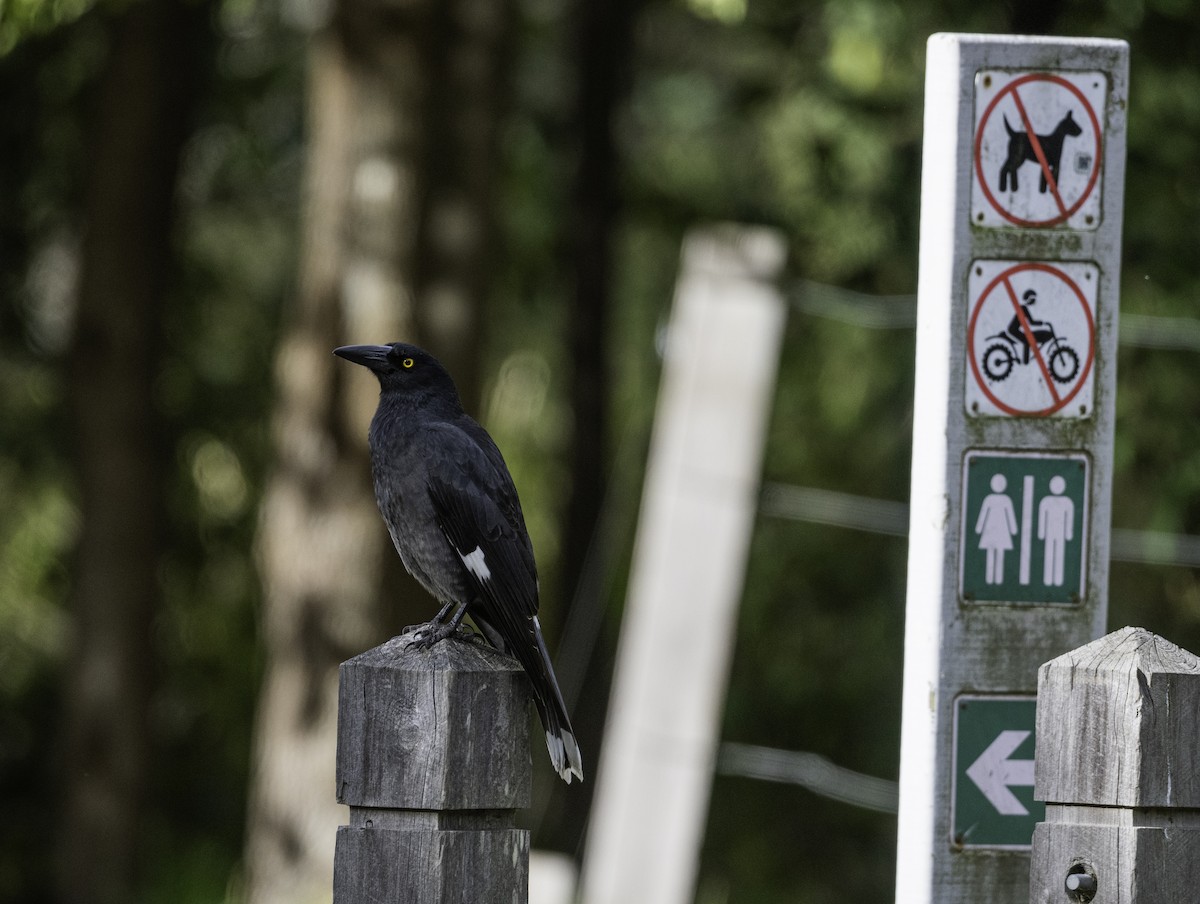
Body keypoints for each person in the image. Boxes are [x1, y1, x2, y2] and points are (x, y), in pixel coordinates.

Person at [975, 473, 1018, 585]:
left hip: (1001, 530)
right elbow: (983, 514)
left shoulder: (1006, 500)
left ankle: (998, 579)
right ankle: (990, 578)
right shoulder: (989, 499)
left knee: (999, 553)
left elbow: (1010, 515)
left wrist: (1013, 529)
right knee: (991, 551)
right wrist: (979, 528)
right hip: (991, 530)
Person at [1007, 288, 1055, 364]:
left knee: (1028, 338)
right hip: (1013, 330)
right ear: (1028, 299)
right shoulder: (1023, 308)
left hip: (1014, 330)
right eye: (1032, 299)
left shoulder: (1023, 308)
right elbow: (1031, 322)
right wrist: (1043, 323)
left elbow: (1029, 323)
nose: (1034, 301)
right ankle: (1025, 362)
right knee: (1027, 341)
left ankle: (1026, 360)